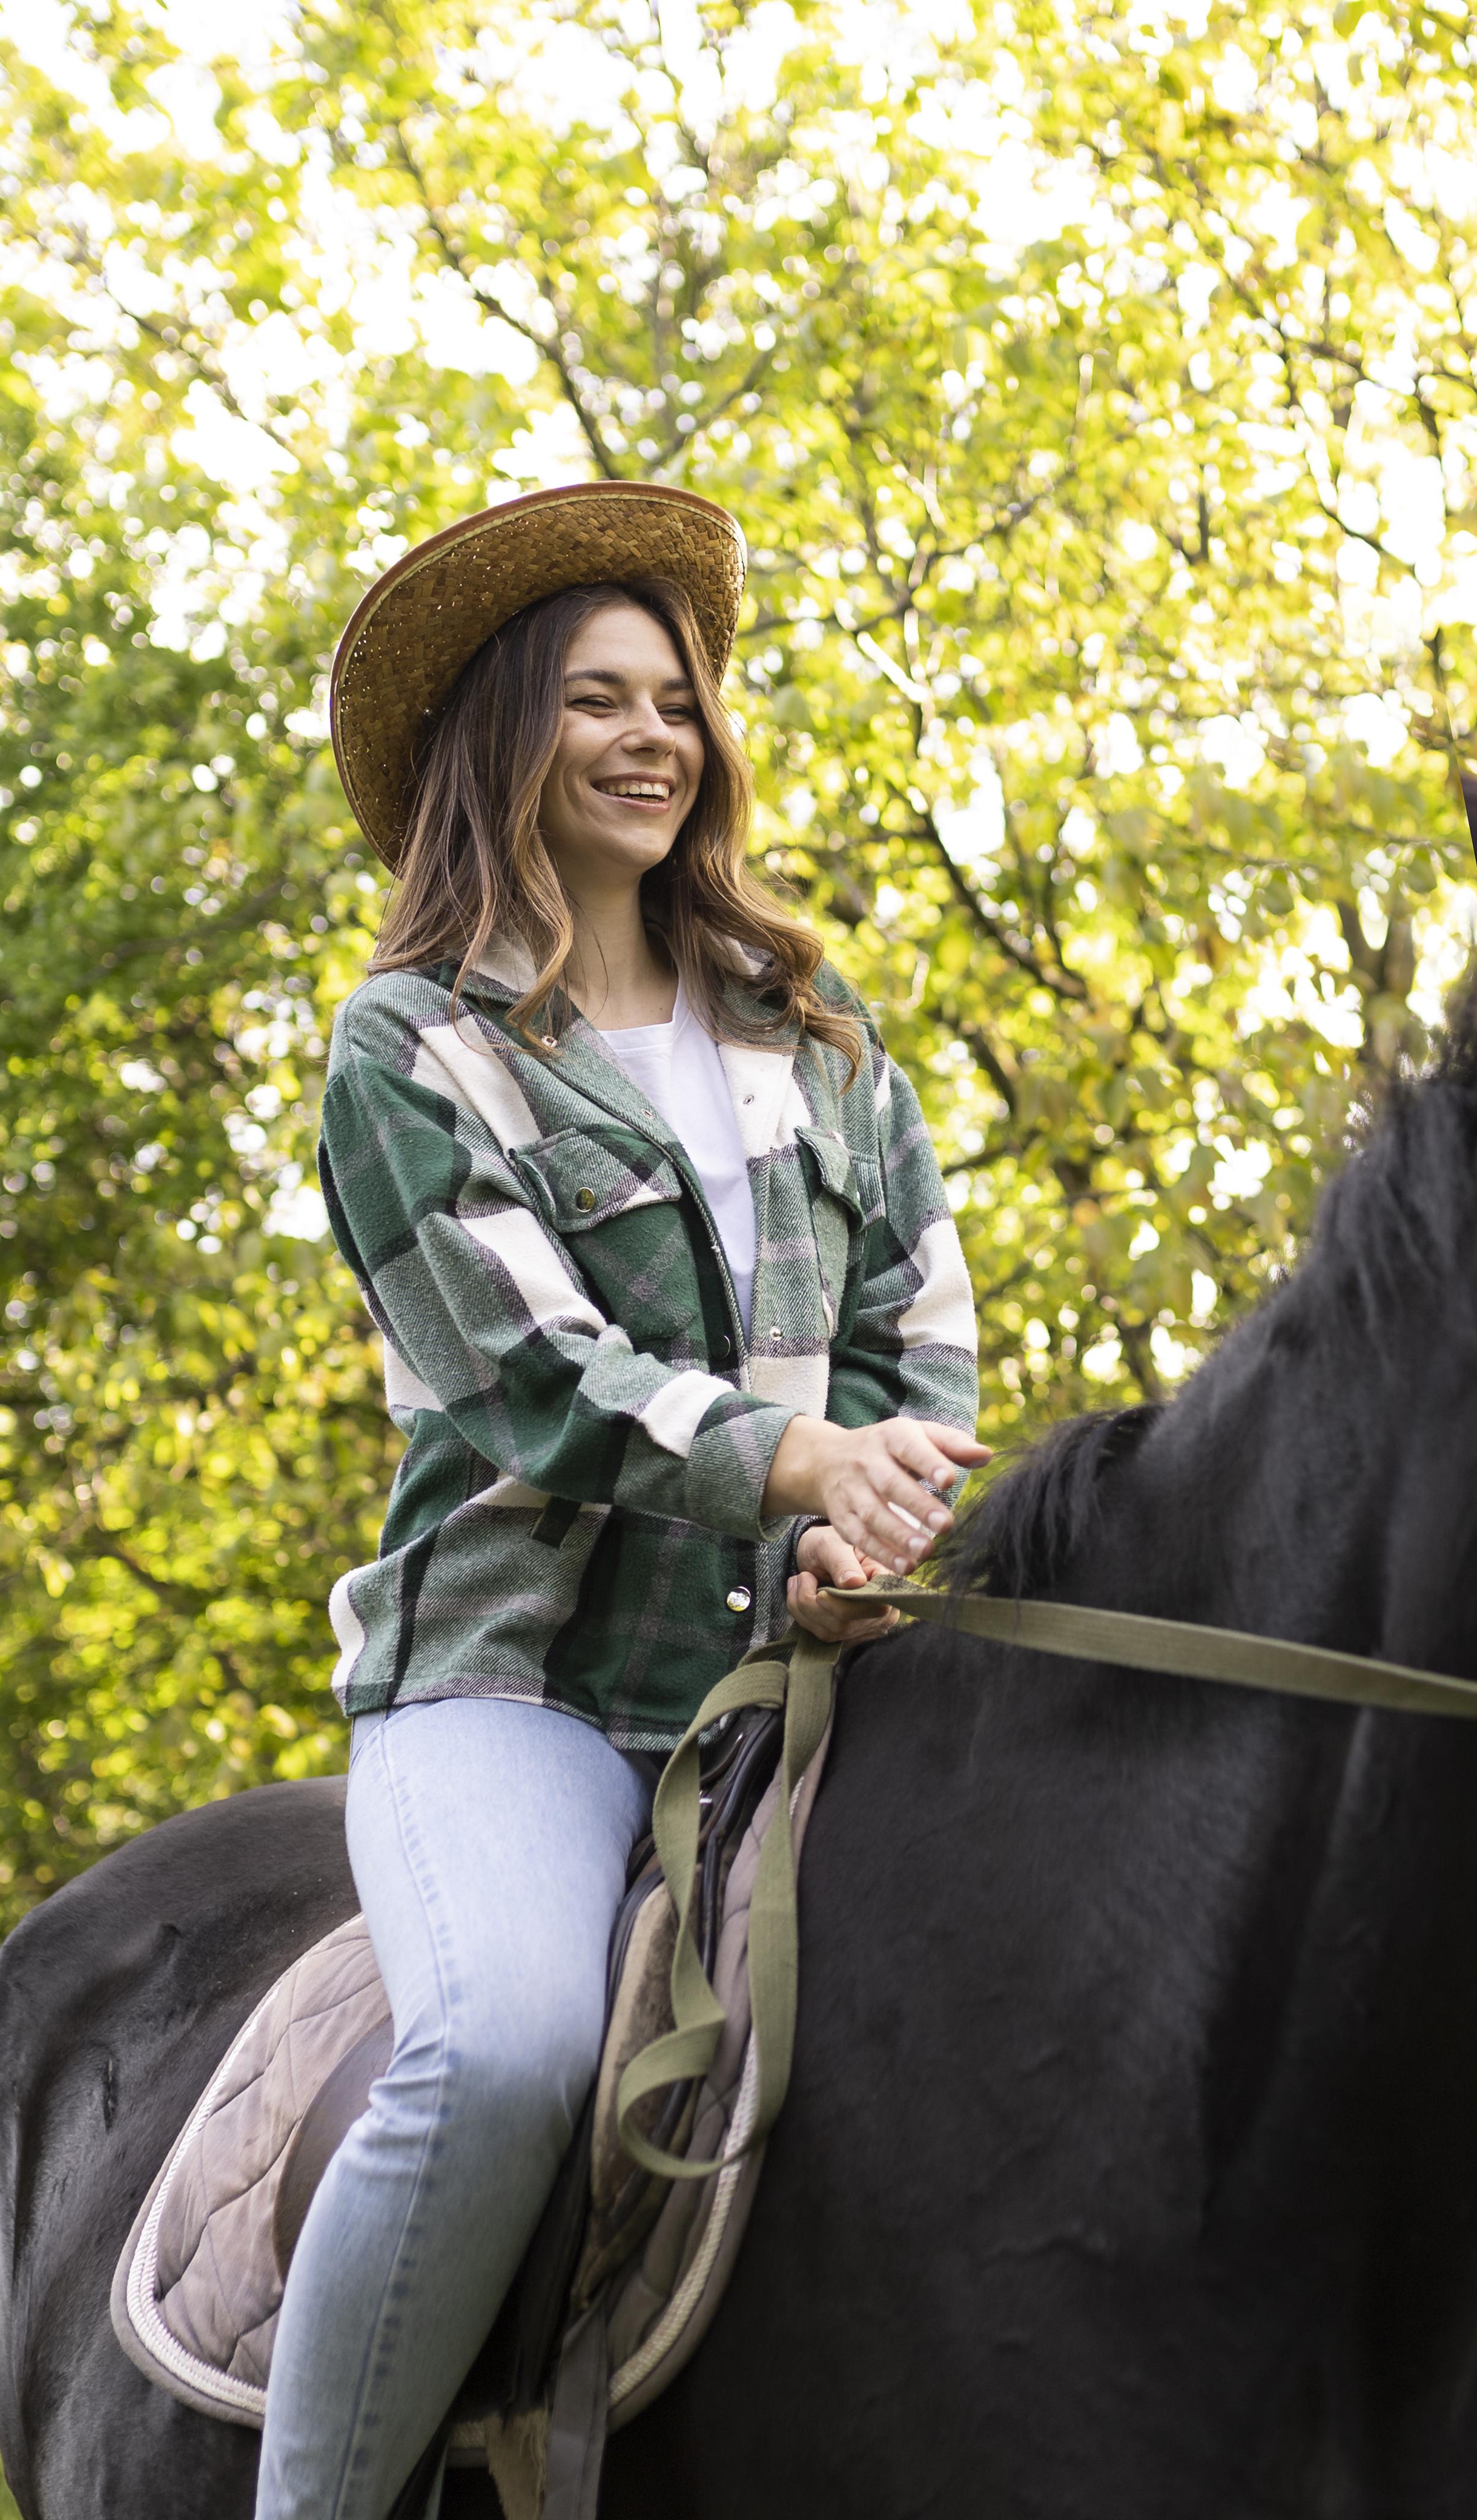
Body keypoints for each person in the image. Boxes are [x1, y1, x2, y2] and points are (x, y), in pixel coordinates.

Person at [261, 482, 986, 2520]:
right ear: (504, 736)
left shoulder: (816, 1032)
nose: (653, 736)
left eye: (675, 700)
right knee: (500, 2056)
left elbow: (919, 1340)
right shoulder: (415, 1050)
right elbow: (533, 1381)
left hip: (799, 1689)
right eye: (596, 700)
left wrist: (868, 1527)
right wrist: (797, 1467)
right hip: (521, 1688)